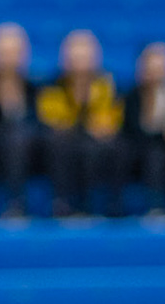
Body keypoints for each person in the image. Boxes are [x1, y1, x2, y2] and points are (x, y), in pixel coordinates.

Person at [38, 30, 126, 217]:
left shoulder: (106, 84)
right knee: (59, 144)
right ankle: (62, 203)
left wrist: (99, 125)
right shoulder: (52, 86)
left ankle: (109, 204)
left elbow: (109, 120)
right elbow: (54, 120)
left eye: (85, 57)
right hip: (66, 140)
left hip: (96, 142)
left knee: (112, 147)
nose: (80, 65)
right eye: (75, 58)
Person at [0, 23, 37, 217]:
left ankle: (18, 204)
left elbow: (41, 124)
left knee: (19, 140)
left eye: (14, 53)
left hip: (28, 152)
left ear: (24, 55)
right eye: (3, 53)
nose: (9, 59)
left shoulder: (35, 89)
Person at [127, 42, 165, 213]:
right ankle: (156, 207)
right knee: (155, 156)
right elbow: (135, 131)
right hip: (141, 151)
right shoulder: (133, 96)